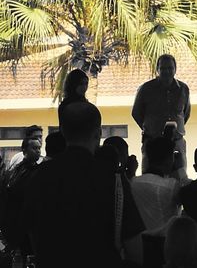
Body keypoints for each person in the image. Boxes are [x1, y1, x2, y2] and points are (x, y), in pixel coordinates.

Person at [22, 102, 145, 268]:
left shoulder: (39, 176)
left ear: (63, 132)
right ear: (98, 133)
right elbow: (135, 249)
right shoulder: (113, 179)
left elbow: (31, 233)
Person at [132, 54, 191, 180]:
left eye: (170, 68)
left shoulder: (183, 89)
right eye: (163, 68)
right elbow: (136, 113)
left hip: (176, 142)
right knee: (150, 180)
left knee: (179, 180)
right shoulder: (146, 89)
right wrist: (151, 129)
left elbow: (185, 113)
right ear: (157, 69)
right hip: (153, 142)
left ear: (175, 69)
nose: (167, 71)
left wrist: (175, 129)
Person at [0, 137, 41, 255]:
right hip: (17, 221)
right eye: (34, 148)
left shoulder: (38, 169)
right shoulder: (16, 170)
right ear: (24, 150)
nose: (38, 151)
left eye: (39, 148)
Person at [131, 137, 181, 231]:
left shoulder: (133, 182)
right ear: (168, 159)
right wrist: (179, 170)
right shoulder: (171, 185)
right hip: (166, 241)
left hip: (141, 241)